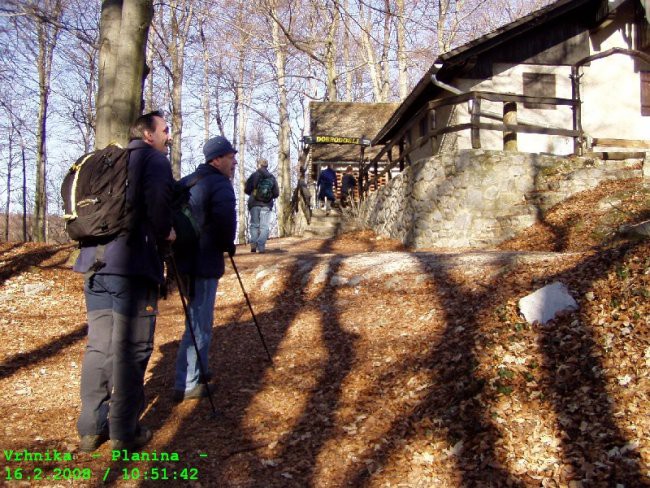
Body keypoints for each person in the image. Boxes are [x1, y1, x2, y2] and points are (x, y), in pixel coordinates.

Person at [74, 110, 175, 452]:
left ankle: (91, 427)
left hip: (95, 264)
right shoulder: (154, 161)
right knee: (132, 348)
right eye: (165, 130)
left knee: (99, 346)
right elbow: (160, 211)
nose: (169, 136)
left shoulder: (110, 160)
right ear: (148, 134)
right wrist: (168, 234)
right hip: (132, 268)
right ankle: (123, 430)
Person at [173, 136, 237, 402]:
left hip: (182, 260)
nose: (234, 162)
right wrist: (228, 245)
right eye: (230, 157)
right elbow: (225, 222)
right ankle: (187, 382)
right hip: (204, 261)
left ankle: (200, 369)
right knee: (200, 322)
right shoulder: (220, 184)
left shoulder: (189, 181)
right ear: (217, 159)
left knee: (197, 316)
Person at [244, 158, 279, 253]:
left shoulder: (254, 175)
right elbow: (276, 193)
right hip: (267, 205)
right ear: (266, 166)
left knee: (254, 225)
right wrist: (269, 195)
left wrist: (254, 193)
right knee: (264, 226)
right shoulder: (272, 177)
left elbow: (246, 190)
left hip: (254, 203)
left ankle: (253, 245)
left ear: (258, 165)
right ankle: (261, 247)